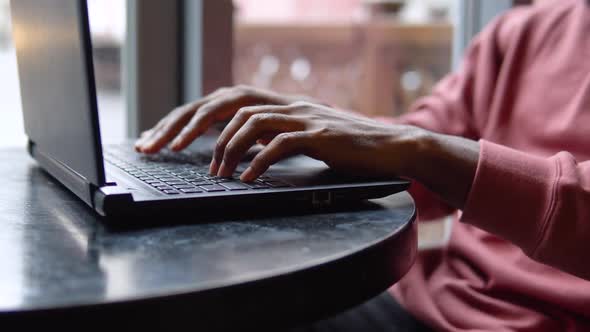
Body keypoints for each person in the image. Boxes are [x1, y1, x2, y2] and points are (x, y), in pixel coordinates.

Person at [135, 0, 590, 331]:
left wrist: (423, 151)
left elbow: (426, 150)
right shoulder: (525, 31)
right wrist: (307, 127)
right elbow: (418, 157)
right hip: (424, 307)